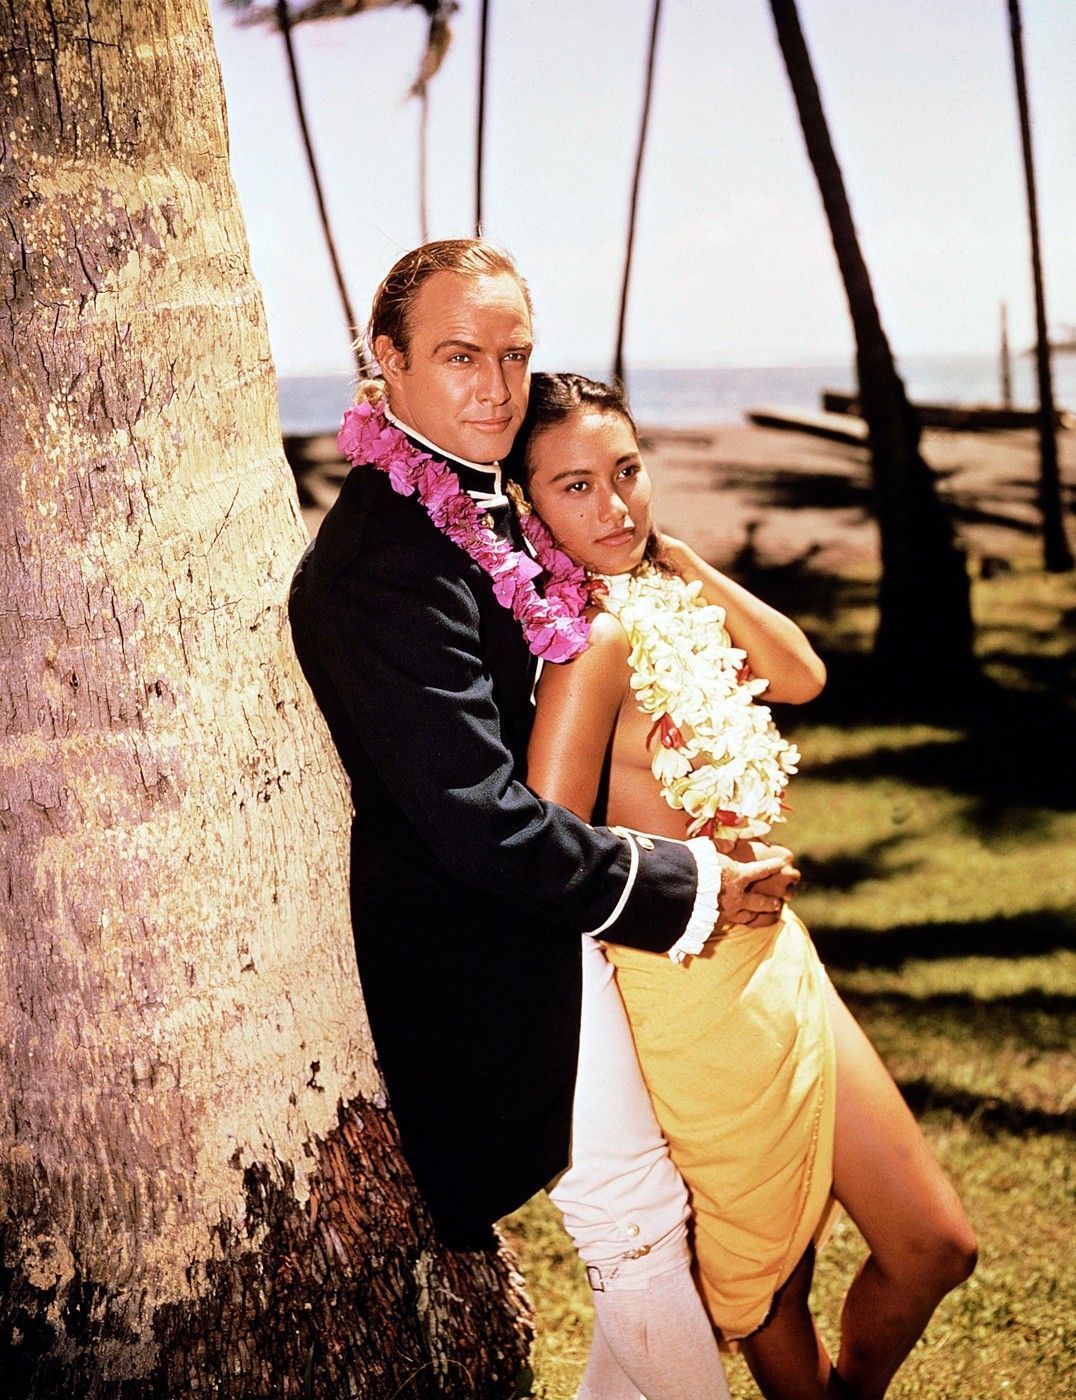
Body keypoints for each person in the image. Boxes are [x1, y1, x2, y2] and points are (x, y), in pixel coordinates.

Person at [288, 239, 797, 1399]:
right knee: (630, 1221)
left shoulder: (473, 508)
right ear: (386, 363)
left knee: (641, 1212)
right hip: (487, 948)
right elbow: (477, 821)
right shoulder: (383, 562)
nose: (495, 385)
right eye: (459, 354)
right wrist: (690, 882)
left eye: (512, 354)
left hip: (553, 912)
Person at [510, 371, 978, 1400]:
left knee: (933, 1243)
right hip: (686, 990)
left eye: (626, 472)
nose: (615, 506)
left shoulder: (657, 598)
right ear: (525, 505)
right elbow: (541, 853)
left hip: (777, 956)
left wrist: (672, 556)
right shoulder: (586, 647)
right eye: (575, 487)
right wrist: (699, 878)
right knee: (769, 1282)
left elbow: (800, 673)